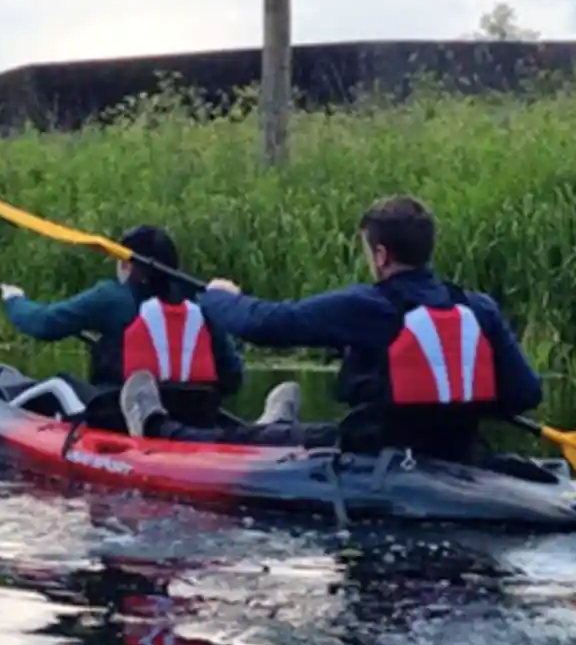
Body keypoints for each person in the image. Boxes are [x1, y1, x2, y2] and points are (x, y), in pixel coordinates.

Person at [118, 195, 544, 462]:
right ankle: (274, 423)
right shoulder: (478, 307)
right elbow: (526, 394)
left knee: (236, 439)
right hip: (459, 451)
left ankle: (155, 426)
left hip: (374, 452)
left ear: (380, 255)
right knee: (280, 434)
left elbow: (265, 324)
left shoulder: (370, 305)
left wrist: (217, 296)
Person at [0, 225, 298, 430]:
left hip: (120, 416)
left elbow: (42, 324)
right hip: (197, 416)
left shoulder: (112, 296)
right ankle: (263, 431)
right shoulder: (202, 302)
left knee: (60, 383)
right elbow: (231, 377)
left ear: (127, 265)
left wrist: (14, 300)